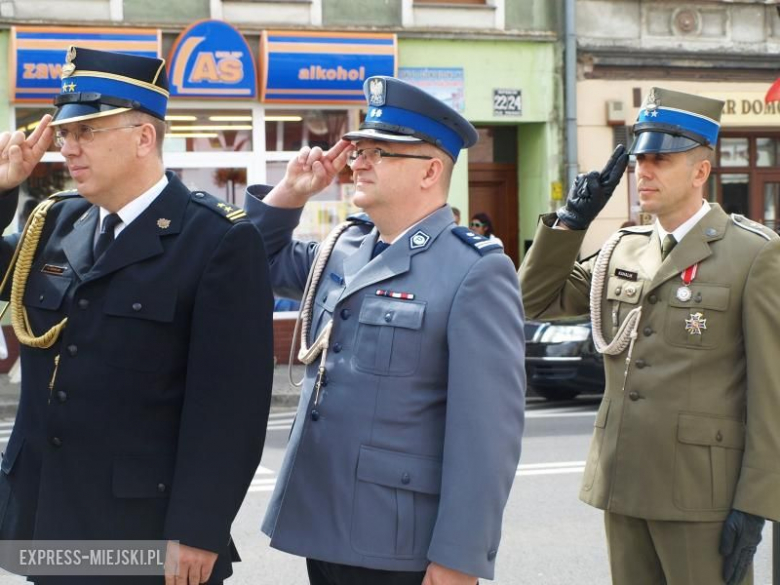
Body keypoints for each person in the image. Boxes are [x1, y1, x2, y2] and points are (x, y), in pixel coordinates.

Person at [0, 46, 274, 584]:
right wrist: (3, 188)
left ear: (144, 138)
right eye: (65, 135)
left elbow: (230, 410)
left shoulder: (216, 240)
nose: (68, 149)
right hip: (47, 515)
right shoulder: (54, 221)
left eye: (87, 133)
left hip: (142, 528)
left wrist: (199, 528)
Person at [246, 76, 526, 585]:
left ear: (430, 171)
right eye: (359, 150)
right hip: (323, 523)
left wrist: (459, 558)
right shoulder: (343, 249)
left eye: (381, 151)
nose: (359, 161)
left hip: (399, 543)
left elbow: (487, 434)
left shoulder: (474, 269)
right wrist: (290, 193)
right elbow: (250, 263)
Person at [519, 87, 780, 585]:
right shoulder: (625, 249)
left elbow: (772, 392)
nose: (645, 172)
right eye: (641, 159)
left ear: (700, 171)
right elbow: (530, 301)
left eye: (660, 159)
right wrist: (571, 223)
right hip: (623, 482)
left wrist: (758, 502)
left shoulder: (754, 255)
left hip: (702, 497)